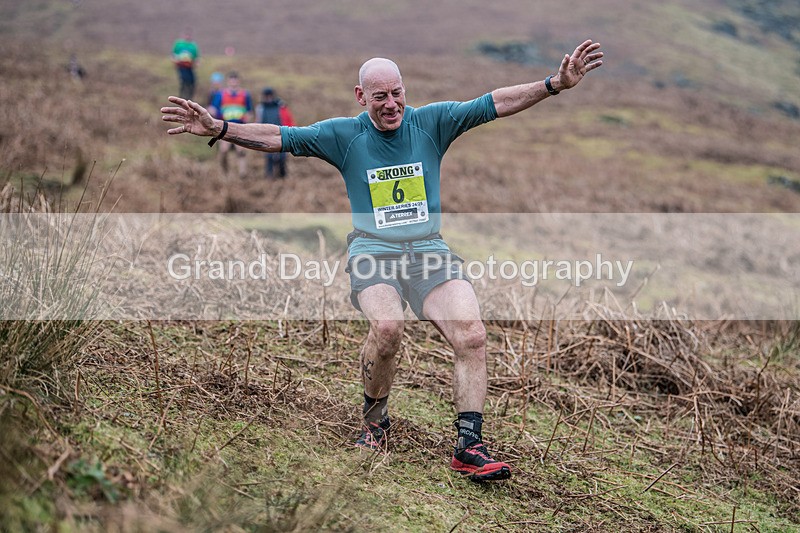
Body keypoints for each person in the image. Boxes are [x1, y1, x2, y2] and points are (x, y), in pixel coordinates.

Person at [162, 39, 603, 482]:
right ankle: (375, 424)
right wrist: (220, 128)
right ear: (361, 97)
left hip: (428, 252)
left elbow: (494, 103)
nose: (391, 104)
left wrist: (553, 84)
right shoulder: (343, 135)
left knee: (472, 335)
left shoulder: (432, 122)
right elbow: (280, 137)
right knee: (388, 328)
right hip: (373, 252)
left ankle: (469, 447)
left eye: (397, 93)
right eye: (380, 97)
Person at [208, 72, 253, 179]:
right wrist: (212, 114)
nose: (233, 83)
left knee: (241, 151)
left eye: (235, 81)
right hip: (225, 127)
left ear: (238, 81)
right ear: (228, 82)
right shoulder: (221, 94)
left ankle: (242, 174)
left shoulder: (245, 94)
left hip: (240, 127)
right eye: (231, 81)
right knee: (224, 150)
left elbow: (250, 111)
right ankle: (225, 173)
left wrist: (248, 119)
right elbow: (213, 108)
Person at [256, 87, 295, 178]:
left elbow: (288, 120)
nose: (268, 98)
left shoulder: (281, 106)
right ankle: (269, 177)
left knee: (282, 157)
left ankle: (282, 175)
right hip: (267, 135)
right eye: (267, 96)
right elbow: (258, 122)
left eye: (270, 96)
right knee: (269, 157)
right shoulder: (261, 108)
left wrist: (291, 134)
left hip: (281, 134)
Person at [171, 28, 200, 101]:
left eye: (189, 35)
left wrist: (197, 63)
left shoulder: (193, 46)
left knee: (192, 81)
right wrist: (174, 61)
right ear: (183, 35)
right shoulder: (179, 44)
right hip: (181, 66)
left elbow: (196, 57)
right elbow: (173, 55)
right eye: (186, 35)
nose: (187, 37)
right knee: (184, 80)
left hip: (189, 67)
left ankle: (190, 97)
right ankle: (182, 97)